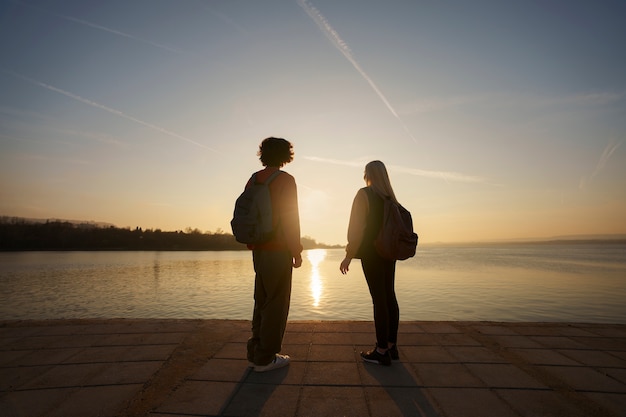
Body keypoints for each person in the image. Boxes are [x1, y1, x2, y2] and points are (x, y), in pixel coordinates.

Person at [244, 137, 303, 372]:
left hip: (259, 249)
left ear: (263, 153)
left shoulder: (253, 179)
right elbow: (291, 219)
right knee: (277, 303)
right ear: (285, 155)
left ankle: (255, 351)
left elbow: (247, 214)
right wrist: (296, 250)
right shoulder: (286, 180)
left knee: (261, 300)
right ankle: (266, 358)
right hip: (278, 250)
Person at [340, 160, 400, 366]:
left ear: (367, 174)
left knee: (379, 299)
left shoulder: (364, 194)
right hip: (389, 252)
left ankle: (381, 350)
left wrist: (349, 254)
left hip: (372, 253)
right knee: (389, 296)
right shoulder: (390, 198)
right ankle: (392, 346)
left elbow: (357, 228)